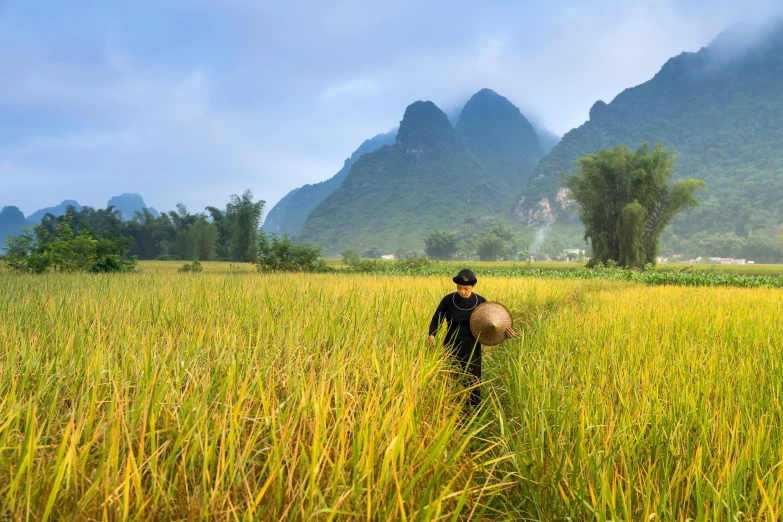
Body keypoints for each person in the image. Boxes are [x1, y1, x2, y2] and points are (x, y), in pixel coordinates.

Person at [428, 268, 514, 407]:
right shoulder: (448, 300)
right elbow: (437, 318)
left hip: (472, 345)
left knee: (473, 378)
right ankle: (452, 408)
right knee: (452, 375)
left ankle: (473, 409)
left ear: (472, 287)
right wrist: (432, 334)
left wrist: (506, 333)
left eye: (466, 288)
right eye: (460, 288)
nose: (463, 291)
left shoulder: (481, 302)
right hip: (451, 343)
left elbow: (493, 323)